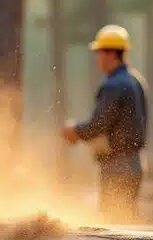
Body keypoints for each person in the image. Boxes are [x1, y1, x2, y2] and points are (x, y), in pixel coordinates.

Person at [61, 25, 148, 224]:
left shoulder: (113, 85)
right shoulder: (136, 81)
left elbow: (98, 125)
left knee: (114, 223)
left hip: (117, 166)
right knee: (127, 220)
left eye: (99, 52)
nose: (97, 58)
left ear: (111, 54)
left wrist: (74, 131)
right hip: (134, 163)